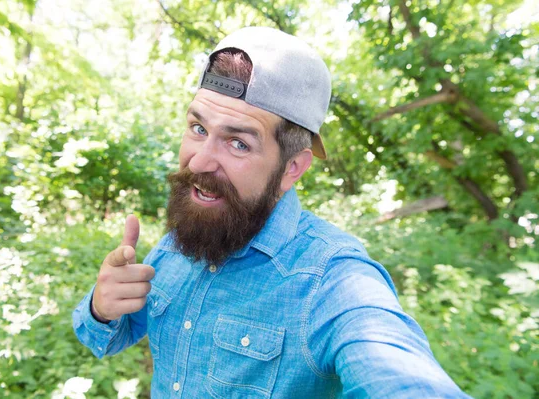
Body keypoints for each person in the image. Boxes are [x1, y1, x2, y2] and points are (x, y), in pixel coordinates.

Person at [73, 27, 470, 398]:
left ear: (292, 168)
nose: (198, 162)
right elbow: (104, 336)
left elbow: (396, 370)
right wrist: (102, 308)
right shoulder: (180, 241)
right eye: (198, 129)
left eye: (239, 144)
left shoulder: (332, 280)